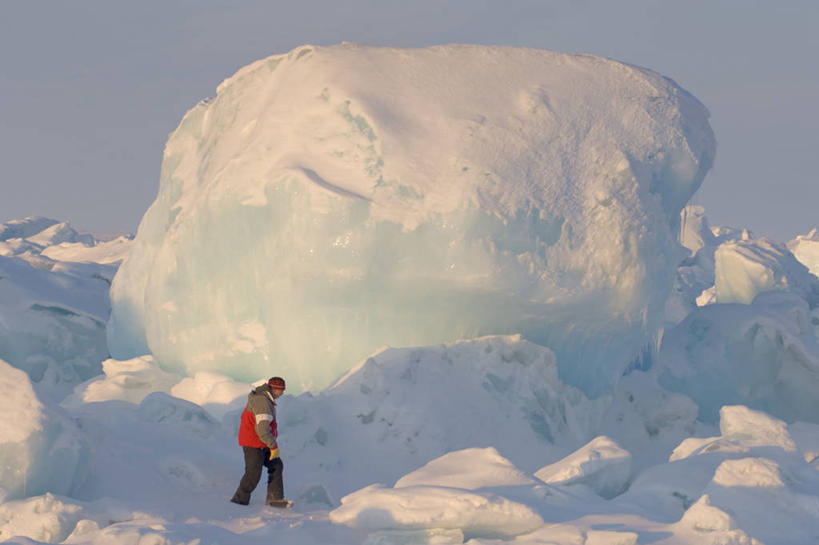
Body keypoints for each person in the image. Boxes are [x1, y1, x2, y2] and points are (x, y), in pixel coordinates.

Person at [230, 376, 291, 507]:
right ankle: (239, 500)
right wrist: (273, 446)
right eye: (282, 390)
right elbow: (262, 430)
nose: (283, 393)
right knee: (253, 473)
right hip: (253, 443)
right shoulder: (262, 402)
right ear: (275, 389)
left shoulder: (266, 399)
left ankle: (275, 499)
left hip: (262, 442)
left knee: (276, 465)